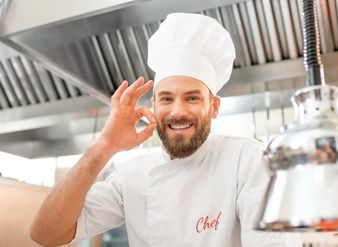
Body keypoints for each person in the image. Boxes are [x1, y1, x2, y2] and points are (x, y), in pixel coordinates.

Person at [30, 13, 301, 246]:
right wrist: (103, 148)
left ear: (214, 106)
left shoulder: (247, 159)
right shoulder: (131, 175)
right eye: (167, 98)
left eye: (192, 98)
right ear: (154, 105)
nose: (178, 111)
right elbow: (46, 234)